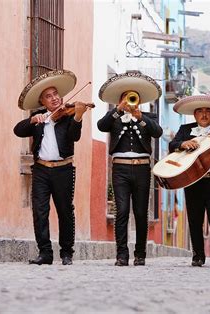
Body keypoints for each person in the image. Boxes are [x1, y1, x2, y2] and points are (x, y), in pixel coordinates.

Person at [14, 69, 89, 265]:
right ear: (43, 102)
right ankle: (45, 253)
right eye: (49, 96)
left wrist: (78, 117)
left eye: (56, 94)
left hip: (63, 169)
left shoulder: (67, 116)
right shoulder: (38, 118)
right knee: (40, 211)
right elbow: (18, 130)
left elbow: (75, 136)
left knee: (65, 210)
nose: (54, 98)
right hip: (40, 170)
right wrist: (32, 120)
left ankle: (66, 253)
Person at [97, 71, 162, 267]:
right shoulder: (114, 117)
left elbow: (157, 132)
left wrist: (140, 116)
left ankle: (140, 254)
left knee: (141, 213)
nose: (130, 101)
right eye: (126, 97)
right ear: (120, 100)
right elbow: (101, 126)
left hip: (142, 169)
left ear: (139, 101)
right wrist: (118, 110)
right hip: (120, 169)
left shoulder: (148, 117)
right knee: (122, 211)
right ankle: (121, 255)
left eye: (133, 97)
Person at [168, 95, 210, 267]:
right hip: (192, 181)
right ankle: (198, 255)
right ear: (195, 114)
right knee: (194, 219)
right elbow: (172, 145)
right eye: (200, 111)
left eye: (208, 111)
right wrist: (183, 144)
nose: (204, 115)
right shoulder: (185, 129)